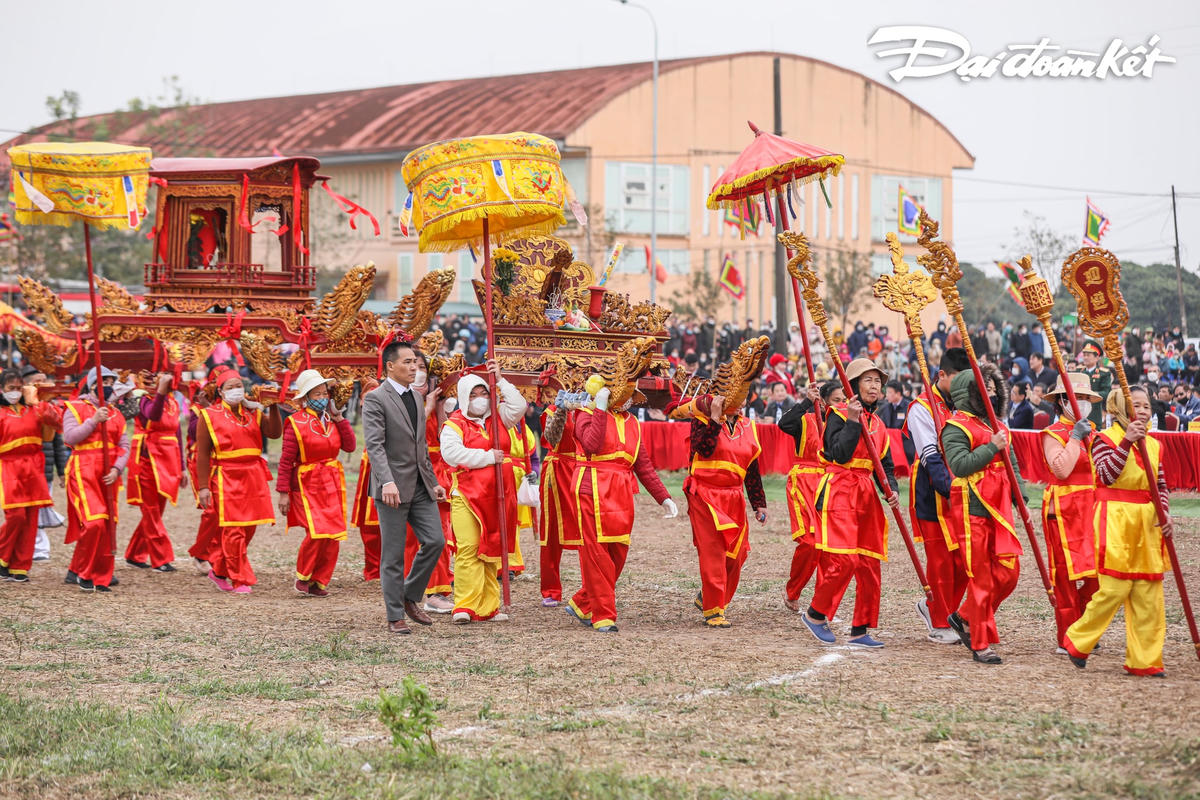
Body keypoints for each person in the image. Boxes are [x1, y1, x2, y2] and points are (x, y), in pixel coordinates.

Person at [1065, 386, 1171, 677]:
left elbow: (1159, 486)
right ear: (1119, 409)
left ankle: (1145, 660)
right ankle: (1078, 640)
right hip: (1115, 518)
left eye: (1147, 406)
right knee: (1114, 588)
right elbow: (1107, 475)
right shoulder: (1103, 439)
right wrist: (1126, 442)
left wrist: (1165, 513)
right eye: (1135, 405)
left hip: (1147, 523)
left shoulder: (1155, 445)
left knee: (1148, 594)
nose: (1143, 411)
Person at [801, 358, 899, 649]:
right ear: (854, 385)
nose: (875, 386)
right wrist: (854, 420)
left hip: (867, 494)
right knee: (845, 559)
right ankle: (815, 613)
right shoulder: (838, 414)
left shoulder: (880, 424)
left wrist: (890, 489)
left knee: (869, 563)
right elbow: (839, 454)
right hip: (840, 489)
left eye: (878, 381)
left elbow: (886, 465)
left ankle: (860, 629)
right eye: (868, 380)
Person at [567, 374, 677, 632]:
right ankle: (603, 615)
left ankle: (583, 603)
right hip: (590, 486)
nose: (628, 399)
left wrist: (664, 497)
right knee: (596, 555)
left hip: (621, 491)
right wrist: (601, 408)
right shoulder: (585, 413)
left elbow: (643, 465)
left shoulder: (634, 423)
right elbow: (592, 444)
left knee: (618, 552)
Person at [362, 339, 448, 634]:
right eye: (408, 362)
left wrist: (434, 482)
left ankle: (410, 596)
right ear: (390, 366)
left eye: (416, 362)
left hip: (421, 487)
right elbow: (374, 446)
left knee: (436, 541)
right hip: (392, 488)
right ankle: (395, 615)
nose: (415, 368)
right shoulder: (376, 398)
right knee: (394, 554)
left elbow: (420, 446)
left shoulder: (416, 396)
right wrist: (386, 480)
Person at [941, 364, 1025, 665]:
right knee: (981, 577)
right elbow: (960, 466)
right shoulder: (956, 426)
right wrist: (991, 447)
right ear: (969, 390)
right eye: (984, 385)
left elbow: (1011, 462)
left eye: (993, 385)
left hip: (999, 507)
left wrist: (1021, 495)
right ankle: (979, 642)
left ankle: (964, 616)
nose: (991, 390)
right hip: (972, 507)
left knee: (1009, 573)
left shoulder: (997, 425)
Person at [440, 362, 525, 624]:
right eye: (474, 395)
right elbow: (451, 454)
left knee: (491, 550)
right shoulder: (455, 423)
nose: (480, 399)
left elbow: (520, 406)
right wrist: (488, 457)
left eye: (483, 393)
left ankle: (488, 607)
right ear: (464, 398)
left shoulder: (500, 416)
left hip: (498, 494)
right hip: (467, 495)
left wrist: (500, 380)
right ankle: (464, 605)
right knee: (468, 548)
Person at [678, 383, 768, 628]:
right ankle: (714, 609)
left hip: (734, 495)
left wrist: (758, 502)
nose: (740, 399)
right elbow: (704, 450)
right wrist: (715, 420)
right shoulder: (701, 418)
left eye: (743, 395)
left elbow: (751, 468)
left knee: (738, 553)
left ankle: (710, 596)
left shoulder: (748, 426)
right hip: (704, 494)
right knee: (713, 551)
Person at [195, 366, 283, 595]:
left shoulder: (252, 412)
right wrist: (203, 487)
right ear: (221, 392)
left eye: (239, 386)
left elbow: (274, 433)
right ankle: (239, 578)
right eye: (230, 387)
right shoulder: (209, 415)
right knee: (233, 530)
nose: (236, 390)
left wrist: (272, 407)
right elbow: (202, 454)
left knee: (249, 529)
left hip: (253, 474)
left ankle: (220, 570)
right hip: (226, 477)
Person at [906, 348, 971, 645]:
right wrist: (953, 490)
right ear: (942, 375)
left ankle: (941, 608)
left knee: (965, 561)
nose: (963, 385)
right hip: (932, 489)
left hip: (960, 484)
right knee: (941, 560)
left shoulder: (963, 405)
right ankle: (937, 620)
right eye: (958, 378)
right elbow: (930, 456)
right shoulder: (921, 407)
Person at [276, 369, 356, 597]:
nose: (323, 398)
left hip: (331, 481)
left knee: (333, 533)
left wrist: (340, 419)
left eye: (325, 393)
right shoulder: (295, 422)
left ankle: (319, 581)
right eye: (317, 394)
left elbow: (349, 446)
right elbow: (286, 460)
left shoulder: (332, 421)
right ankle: (303, 574)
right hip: (306, 482)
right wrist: (283, 492)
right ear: (305, 398)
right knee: (316, 530)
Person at [1039, 373, 1102, 653]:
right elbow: (1061, 469)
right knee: (1064, 577)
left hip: (1092, 511)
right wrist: (1075, 438)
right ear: (1063, 401)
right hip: (1062, 512)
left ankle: (1085, 629)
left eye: (1087, 399)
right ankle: (1068, 635)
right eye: (1079, 398)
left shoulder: (1096, 432)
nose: (1084, 403)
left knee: (1096, 575)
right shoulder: (1053, 434)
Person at [62, 366, 130, 592]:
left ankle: (100, 576)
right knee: (94, 522)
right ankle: (84, 572)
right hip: (84, 469)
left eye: (111, 381)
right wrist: (93, 420)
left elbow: (124, 445)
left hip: (109, 473)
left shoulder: (117, 413)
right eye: (103, 382)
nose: (107, 386)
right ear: (90, 384)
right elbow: (71, 438)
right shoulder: (75, 408)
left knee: (108, 525)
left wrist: (118, 468)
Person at [778, 381, 842, 612]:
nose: (840, 405)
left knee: (829, 549)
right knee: (810, 542)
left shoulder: (844, 425)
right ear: (823, 402)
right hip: (804, 483)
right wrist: (807, 401)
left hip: (831, 485)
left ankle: (820, 602)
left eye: (843, 401)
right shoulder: (805, 420)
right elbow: (784, 424)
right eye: (836, 400)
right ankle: (793, 591)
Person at [0, 372, 62, 582]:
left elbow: (54, 425)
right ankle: (2, 556)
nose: (15, 392)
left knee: (31, 519)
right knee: (16, 516)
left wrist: (38, 401)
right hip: (9, 466)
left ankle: (20, 567)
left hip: (34, 467)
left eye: (19, 387)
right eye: (10, 388)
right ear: (2, 389)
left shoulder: (34, 409)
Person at [124, 372, 185, 572]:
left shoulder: (173, 402)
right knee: (151, 511)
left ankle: (135, 553)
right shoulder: (142, 400)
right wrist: (160, 392)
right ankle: (161, 559)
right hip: (146, 460)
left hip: (168, 462)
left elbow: (177, 434)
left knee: (156, 512)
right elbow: (153, 415)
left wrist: (182, 468)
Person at [538, 402, 581, 606]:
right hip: (557, 471)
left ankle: (591, 589)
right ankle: (550, 589)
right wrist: (563, 409)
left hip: (582, 469)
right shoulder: (553, 410)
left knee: (587, 530)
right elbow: (550, 438)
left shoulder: (594, 407)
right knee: (552, 531)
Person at [21, 365, 66, 562]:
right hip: (19, 467)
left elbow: (58, 442)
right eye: (36, 381)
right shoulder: (16, 407)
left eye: (44, 381)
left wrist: (62, 470)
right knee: (21, 510)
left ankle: (39, 548)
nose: (41, 385)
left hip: (44, 468)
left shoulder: (50, 408)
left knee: (38, 507)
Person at [1079, 341, 1113, 428]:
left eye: (1088, 355)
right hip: (1078, 411)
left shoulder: (1103, 373)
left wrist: (1092, 394)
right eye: (1084, 355)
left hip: (1094, 412)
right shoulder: (1078, 372)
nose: (1085, 357)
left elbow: (1106, 392)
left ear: (1097, 357)